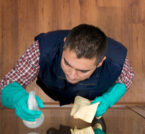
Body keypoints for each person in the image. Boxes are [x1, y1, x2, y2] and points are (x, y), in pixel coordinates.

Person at [0, 24, 134, 122]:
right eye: (67, 64)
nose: (72, 75)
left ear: (100, 63)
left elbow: (127, 78)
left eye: (83, 70)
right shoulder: (42, 49)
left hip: (91, 98)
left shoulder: (116, 61)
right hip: (53, 89)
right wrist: (17, 98)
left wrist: (107, 100)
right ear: (64, 46)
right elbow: (8, 83)